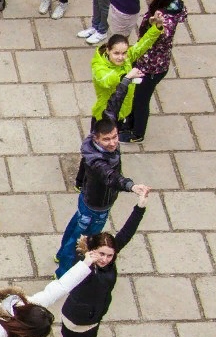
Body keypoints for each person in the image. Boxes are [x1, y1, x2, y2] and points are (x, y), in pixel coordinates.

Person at [53, 189, 149, 337]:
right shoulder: (83, 267)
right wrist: (87, 264)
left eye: (109, 255)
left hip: (94, 313)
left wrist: (140, 207)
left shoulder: (108, 259)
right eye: (101, 254)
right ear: (92, 250)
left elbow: (127, 232)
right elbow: (66, 283)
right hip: (77, 315)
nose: (105, 259)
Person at [55, 115, 152, 278]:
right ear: (96, 138)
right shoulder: (99, 163)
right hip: (96, 208)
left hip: (88, 200)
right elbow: (112, 177)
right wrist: (132, 186)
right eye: (107, 139)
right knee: (81, 242)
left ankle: (61, 258)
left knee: (75, 228)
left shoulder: (93, 149)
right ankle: (64, 272)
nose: (113, 142)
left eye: (115, 137)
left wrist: (123, 87)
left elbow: (113, 107)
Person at [124, 0, 187, 143]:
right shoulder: (165, 5)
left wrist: (156, 25)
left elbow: (164, 35)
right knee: (134, 95)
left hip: (152, 68)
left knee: (141, 100)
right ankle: (129, 122)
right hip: (143, 61)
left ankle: (137, 133)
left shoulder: (167, 20)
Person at [89, 13, 164, 133]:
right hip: (105, 115)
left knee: (113, 144)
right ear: (108, 50)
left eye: (124, 53)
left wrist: (157, 28)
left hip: (121, 112)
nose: (121, 57)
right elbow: (106, 80)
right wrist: (127, 77)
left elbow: (142, 45)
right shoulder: (99, 66)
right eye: (116, 53)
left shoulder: (127, 57)